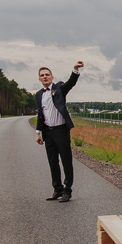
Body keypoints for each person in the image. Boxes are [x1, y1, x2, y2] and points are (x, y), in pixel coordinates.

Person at [35, 62, 82, 202]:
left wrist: (75, 70)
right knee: (52, 161)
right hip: (47, 132)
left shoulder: (59, 88)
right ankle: (57, 189)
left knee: (66, 160)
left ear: (52, 77)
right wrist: (38, 132)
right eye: (42, 75)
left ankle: (67, 191)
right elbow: (40, 114)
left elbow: (70, 83)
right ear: (39, 79)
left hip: (61, 130)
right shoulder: (38, 95)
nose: (45, 77)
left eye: (47, 75)